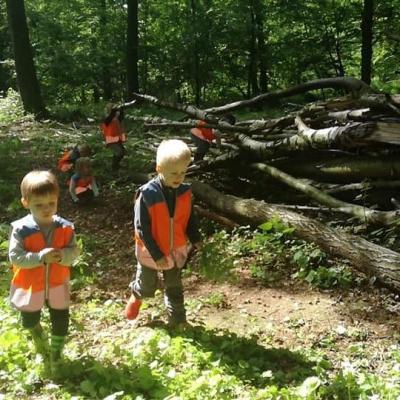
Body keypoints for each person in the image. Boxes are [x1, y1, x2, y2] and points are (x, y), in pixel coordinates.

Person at [8, 170, 80, 374]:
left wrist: (62, 255)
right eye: (39, 205)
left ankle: (56, 355)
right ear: (26, 203)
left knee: (61, 320)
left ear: (57, 200)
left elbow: (74, 251)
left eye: (51, 203)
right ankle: (38, 335)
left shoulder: (65, 227)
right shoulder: (21, 229)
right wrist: (40, 257)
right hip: (30, 286)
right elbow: (16, 257)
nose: (46, 209)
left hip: (58, 283)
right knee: (29, 320)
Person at [125, 139, 201, 327]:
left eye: (183, 172)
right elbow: (141, 228)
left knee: (174, 285)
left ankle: (178, 320)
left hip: (176, 248)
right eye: (174, 173)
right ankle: (137, 294)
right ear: (159, 168)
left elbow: (190, 217)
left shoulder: (184, 192)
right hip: (151, 250)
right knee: (147, 285)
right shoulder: (147, 195)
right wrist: (156, 254)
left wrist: (196, 238)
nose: (179, 177)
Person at [101, 104, 126, 172]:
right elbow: (108, 120)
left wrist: (121, 110)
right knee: (119, 152)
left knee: (122, 152)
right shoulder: (107, 118)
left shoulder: (115, 117)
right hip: (110, 139)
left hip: (117, 138)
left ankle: (116, 165)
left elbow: (120, 125)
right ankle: (114, 167)